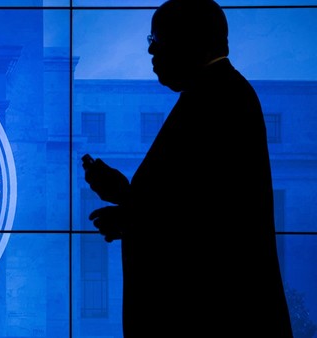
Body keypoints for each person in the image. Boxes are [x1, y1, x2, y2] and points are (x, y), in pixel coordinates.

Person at [82, 0, 294, 337]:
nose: (151, 54)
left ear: (189, 41)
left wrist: (128, 208)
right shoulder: (218, 95)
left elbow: (209, 220)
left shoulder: (217, 100)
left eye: (155, 42)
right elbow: (194, 204)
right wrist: (127, 203)